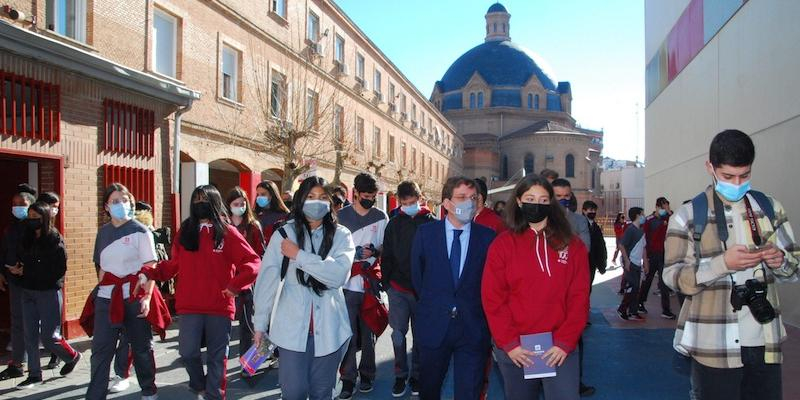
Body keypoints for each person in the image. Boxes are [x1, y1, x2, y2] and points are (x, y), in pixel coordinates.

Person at [663, 130, 799, 400]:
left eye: (745, 175)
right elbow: (672, 276)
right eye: (728, 176)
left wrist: (780, 260)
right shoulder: (688, 216)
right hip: (713, 347)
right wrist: (721, 264)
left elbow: (794, 268)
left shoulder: (769, 208)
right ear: (710, 167)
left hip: (765, 341)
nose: (737, 183)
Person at [140, 185, 259, 400]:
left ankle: (215, 395)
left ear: (214, 201)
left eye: (204, 199)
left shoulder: (227, 231)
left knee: (217, 356)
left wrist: (234, 286)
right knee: (188, 352)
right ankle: (198, 384)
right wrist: (150, 272)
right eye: (196, 200)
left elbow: (252, 262)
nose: (200, 204)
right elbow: (173, 265)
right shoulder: (185, 232)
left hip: (220, 306)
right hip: (189, 305)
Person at [482, 175, 590, 400]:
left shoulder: (573, 245)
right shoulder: (502, 245)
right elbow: (493, 298)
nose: (537, 204)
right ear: (519, 202)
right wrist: (510, 344)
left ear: (551, 203)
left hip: (559, 348)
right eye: (530, 198)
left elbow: (579, 297)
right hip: (517, 350)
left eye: (543, 199)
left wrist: (564, 342)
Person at [252, 176, 355, 400]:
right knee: (294, 391)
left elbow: (338, 275)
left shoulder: (342, 235)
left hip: (330, 329)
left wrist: (298, 255)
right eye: (310, 197)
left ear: (330, 203)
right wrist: (259, 324)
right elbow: (267, 282)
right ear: (300, 200)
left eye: (322, 197)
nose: (316, 202)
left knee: (322, 393)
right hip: (290, 331)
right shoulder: (283, 234)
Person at [411, 177, 495, 400]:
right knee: (429, 390)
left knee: (469, 392)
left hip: (473, 328)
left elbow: (491, 284)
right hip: (434, 326)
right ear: (446, 203)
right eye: (461, 197)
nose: (469, 202)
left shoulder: (488, 238)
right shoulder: (425, 234)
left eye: (473, 198)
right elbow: (418, 278)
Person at [86, 183, 161, 400]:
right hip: (107, 298)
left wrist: (146, 297)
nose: (121, 205)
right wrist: (99, 294)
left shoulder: (141, 231)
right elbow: (100, 268)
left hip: (133, 297)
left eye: (125, 200)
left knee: (141, 347)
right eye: (115, 201)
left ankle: (148, 389)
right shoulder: (103, 233)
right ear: (106, 207)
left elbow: (150, 268)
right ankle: (95, 394)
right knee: (101, 350)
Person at [15, 201, 81, 389]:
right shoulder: (26, 238)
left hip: (48, 292)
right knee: (29, 334)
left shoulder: (54, 239)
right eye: (30, 217)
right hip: (28, 290)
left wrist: (31, 270)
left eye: (36, 218)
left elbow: (60, 269)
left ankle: (72, 356)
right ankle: (35, 375)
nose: (32, 221)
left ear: (44, 219)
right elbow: (22, 259)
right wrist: (19, 269)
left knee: (49, 336)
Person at [381, 181, 435, 397]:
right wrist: (387, 284)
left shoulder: (432, 223)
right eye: (404, 203)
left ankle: (417, 377)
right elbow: (387, 256)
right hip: (398, 288)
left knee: (421, 337)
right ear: (399, 202)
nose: (409, 206)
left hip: (424, 292)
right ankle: (400, 375)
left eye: (412, 202)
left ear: (420, 198)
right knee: (398, 335)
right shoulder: (393, 224)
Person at [337, 172, 388, 399]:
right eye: (365, 195)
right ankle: (347, 379)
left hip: (369, 284)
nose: (368, 199)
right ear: (355, 193)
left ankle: (367, 374)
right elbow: (332, 249)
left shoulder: (381, 216)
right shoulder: (340, 216)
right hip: (346, 286)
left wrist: (375, 252)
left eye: (372, 196)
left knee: (368, 334)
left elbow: (387, 249)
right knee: (346, 334)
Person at [550, 178, 594, 396]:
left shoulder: (578, 221)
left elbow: (584, 248)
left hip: (571, 291)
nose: (563, 200)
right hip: (547, 293)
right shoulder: (542, 221)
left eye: (566, 196)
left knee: (574, 339)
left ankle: (576, 381)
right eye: (558, 197)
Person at [225, 186, 266, 378]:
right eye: (235, 204)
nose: (239, 207)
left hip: (250, 281)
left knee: (249, 324)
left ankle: (249, 363)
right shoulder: (223, 225)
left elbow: (261, 253)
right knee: (229, 325)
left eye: (242, 204)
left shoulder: (253, 226)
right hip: (230, 280)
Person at [0, 186, 37, 381]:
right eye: (14, 205)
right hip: (13, 280)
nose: (17, 208)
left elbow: (41, 256)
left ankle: (34, 366)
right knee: (17, 321)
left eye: (22, 205)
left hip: (31, 282)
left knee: (30, 323)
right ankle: (17, 363)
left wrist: (25, 268)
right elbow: (4, 250)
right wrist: (2, 272)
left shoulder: (35, 228)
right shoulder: (10, 227)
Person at [36, 191, 65, 371]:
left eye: (57, 207)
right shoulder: (31, 231)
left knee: (54, 323)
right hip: (33, 285)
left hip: (52, 284)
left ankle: (58, 355)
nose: (55, 210)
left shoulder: (55, 234)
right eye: (53, 207)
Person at [638, 197, 676, 319]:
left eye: (666, 207)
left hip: (664, 254)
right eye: (663, 208)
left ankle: (666, 310)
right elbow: (643, 238)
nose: (665, 210)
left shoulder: (669, 218)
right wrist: (645, 257)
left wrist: (669, 213)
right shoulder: (649, 220)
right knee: (647, 280)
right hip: (652, 254)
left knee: (664, 282)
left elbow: (676, 223)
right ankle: (640, 302)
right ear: (657, 207)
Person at [616, 207, 649, 321]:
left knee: (636, 288)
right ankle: (622, 309)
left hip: (637, 263)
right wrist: (627, 260)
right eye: (642, 214)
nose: (644, 216)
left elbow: (643, 248)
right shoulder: (630, 230)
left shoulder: (641, 230)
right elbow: (621, 245)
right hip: (630, 262)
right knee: (632, 286)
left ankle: (633, 312)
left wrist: (645, 263)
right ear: (637, 216)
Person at [582, 201, 607, 289]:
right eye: (591, 210)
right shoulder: (579, 225)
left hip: (592, 263)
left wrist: (602, 264)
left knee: (588, 287)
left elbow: (601, 246)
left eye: (594, 210)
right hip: (582, 263)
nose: (593, 212)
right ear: (584, 211)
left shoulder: (595, 226)